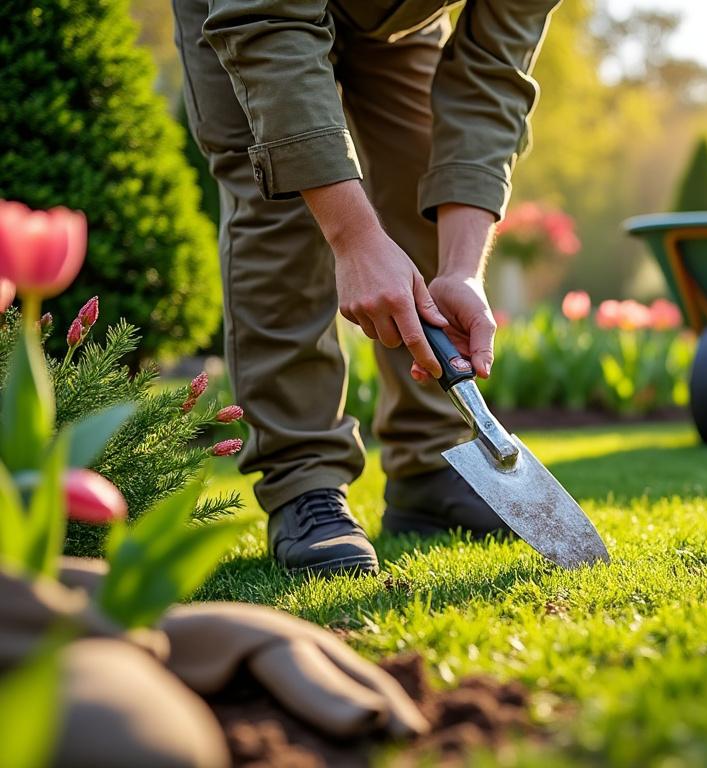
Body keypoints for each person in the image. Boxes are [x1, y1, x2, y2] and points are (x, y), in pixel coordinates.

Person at [172, 0, 561, 575]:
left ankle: (432, 465)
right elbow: (267, 22)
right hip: (260, 13)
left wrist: (461, 270)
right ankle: (304, 478)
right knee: (278, 189)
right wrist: (353, 238)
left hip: (400, 19)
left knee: (425, 169)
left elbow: (491, 79)